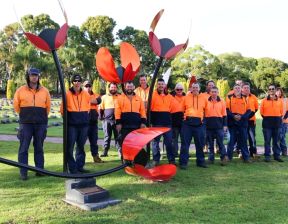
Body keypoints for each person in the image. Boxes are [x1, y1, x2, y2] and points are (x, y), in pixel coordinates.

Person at [13, 68, 51, 180]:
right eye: (32, 75)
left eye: (36, 75)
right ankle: (23, 172)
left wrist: (41, 117)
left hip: (40, 124)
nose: (34, 77)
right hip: (26, 124)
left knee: (39, 147)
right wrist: (26, 115)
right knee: (24, 148)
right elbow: (16, 106)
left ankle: (39, 170)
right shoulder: (20, 90)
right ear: (28, 76)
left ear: (38, 77)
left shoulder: (45, 91)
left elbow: (48, 107)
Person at [60, 74, 91, 174]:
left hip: (83, 124)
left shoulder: (86, 94)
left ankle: (80, 166)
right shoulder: (67, 94)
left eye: (78, 81)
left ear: (81, 82)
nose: (77, 83)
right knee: (70, 147)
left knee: (81, 146)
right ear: (72, 82)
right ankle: (72, 168)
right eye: (75, 81)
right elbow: (62, 110)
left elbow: (88, 106)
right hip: (72, 125)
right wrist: (69, 119)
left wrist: (85, 117)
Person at [115, 81, 146, 160]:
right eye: (128, 87)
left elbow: (142, 111)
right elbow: (117, 111)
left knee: (136, 144)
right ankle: (125, 160)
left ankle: (136, 160)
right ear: (125, 87)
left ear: (133, 87)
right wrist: (118, 123)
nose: (129, 88)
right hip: (124, 126)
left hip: (136, 125)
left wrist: (143, 122)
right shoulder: (120, 98)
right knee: (124, 143)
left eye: (131, 87)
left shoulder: (138, 98)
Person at [179, 82, 208, 169]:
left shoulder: (204, 98)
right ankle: (183, 163)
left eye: (196, 87)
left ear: (199, 89)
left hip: (199, 124)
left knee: (200, 144)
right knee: (185, 144)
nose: (195, 89)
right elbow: (181, 110)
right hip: (187, 124)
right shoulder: (186, 98)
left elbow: (206, 111)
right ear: (191, 89)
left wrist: (204, 122)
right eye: (193, 87)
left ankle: (200, 162)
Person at [150, 78, 175, 166]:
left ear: (165, 85)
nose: (161, 85)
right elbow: (149, 109)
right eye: (159, 84)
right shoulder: (152, 95)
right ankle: (156, 160)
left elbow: (172, 109)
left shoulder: (170, 97)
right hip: (156, 123)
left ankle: (171, 160)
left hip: (167, 123)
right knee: (155, 142)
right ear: (157, 85)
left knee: (169, 142)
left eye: (162, 84)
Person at [226, 84, 251, 162]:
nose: (237, 89)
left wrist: (242, 117)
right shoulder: (229, 98)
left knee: (243, 141)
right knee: (231, 141)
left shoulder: (246, 98)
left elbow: (249, 111)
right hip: (232, 123)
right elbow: (226, 110)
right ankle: (228, 158)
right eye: (235, 88)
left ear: (241, 90)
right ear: (233, 90)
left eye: (238, 88)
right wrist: (234, 116)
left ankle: (246, 158)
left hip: (243, 123)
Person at [260, 84, 284, 162]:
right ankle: (267, 156)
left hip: (277, 123)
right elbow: (262, 112)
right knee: (267, 141)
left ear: (275, 90)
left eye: (273, 89)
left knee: (276, 141)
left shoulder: (280, 101)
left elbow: (281, 112)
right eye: (270, 89)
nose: (271, 90)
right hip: (267, 124)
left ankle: (276, 156)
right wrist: (268, 118)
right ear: (268, 90)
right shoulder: (264, 100)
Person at [205, 86, 228, 165]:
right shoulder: (206, 101)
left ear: (218, 92)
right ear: (210, 92)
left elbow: (224, 114)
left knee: (220, 143)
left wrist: (225, 125)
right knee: (210, 144)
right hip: (208, 126)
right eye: (212, 91)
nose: (214, 93)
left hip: (219, 126)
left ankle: (223, 158)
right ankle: (211, 159)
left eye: (215, 92)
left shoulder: (222, 101)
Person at [83, 80, 103, 163]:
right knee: (81, 142)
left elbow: (98, 101)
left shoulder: (96, 95)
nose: (88, 88)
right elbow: (94, 101)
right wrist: (90, 100)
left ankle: (95, 157)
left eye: (89, 86)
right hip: (83, 123)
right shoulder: (81, 95)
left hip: (93, 123)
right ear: (83, 87)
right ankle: (80, 159)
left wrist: (87, 100)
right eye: (86, 86)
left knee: (94, 141)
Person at [99, 82, 120, 157]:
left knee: (118, 136)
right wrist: (101, 118)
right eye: (112, 87)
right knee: (107, 136)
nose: (113, 89)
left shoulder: (120, 96)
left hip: (117, 121)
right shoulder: (104, 97)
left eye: (114, 87)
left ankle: (119, 151)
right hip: (107, 120)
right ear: (109, 88)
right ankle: (105, 151)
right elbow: (101, 108)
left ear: (116, 88)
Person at [242, 82, 259, 158]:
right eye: (245, 88)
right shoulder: (240, 97)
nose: (246, 89)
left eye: (248, 88)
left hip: (251, 120)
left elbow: (256, 108)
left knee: (252, 137)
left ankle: (253, 152)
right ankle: (242, 152)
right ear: (242, 89)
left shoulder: (254, 97)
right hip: (242, 120)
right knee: (243, 137)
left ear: (249, 89)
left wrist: (248, 116)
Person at [170, 83, 185, 157]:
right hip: (174, 121)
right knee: (174, 139)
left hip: (184, 122)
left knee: (184, 139)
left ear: (183, 90)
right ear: (175, 90)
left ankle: (183, 154)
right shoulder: (170, 97)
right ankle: (175, 153)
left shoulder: (186, 97)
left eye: (181, 89)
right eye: (177, 89)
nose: (179, 90)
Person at [276, 87, 287, 156]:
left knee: (281, 136)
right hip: (276, 121)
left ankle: (284, 150)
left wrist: (284, 118)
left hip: (284, 121)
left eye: (280, 91)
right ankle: (280, 150)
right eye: (277, 91)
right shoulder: (274, 100)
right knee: (277, 136)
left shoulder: (285, 100)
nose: (279, 93)